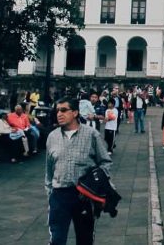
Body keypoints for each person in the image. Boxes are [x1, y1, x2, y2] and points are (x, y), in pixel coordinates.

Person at [45, 97, 112, 245]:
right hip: (59, 195)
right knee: (57, 239)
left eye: (64, 110)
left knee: (85, 239)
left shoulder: (91, 134)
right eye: (57, 111)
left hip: (84, 196)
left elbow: (105, 162)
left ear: (75, 113)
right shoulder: (52, 136)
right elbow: (49, 169)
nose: (59, 114)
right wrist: (50, 192)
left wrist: (97, 185)